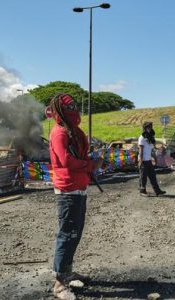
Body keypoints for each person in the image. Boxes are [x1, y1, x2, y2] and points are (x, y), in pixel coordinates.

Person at [47, 93, 103, 300]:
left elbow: (76, 156)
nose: (73, 110)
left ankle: (67, 272)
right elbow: (66, 160)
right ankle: (59, 283)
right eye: (68, 107)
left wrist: (90, 161)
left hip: (78, 189)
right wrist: (90, 165)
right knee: (67, 234)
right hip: (68, 191)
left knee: (75, 233)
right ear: (60, 110)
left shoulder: (73, 132)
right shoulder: (60, 133)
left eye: (73, 106)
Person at [138, 121, 166, 196]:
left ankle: (157, 190)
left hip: (149, 160)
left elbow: (152, 149)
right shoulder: (142, 138)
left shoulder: (150, 138)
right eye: (148, 127)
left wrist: (155, 157)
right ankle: (142, 191)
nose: (150, 128)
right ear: (145, 128)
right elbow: (141, 150)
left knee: (152, 176)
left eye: (151, 127)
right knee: (143, 176)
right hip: (143, 160)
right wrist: (140, 161)